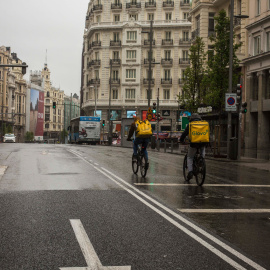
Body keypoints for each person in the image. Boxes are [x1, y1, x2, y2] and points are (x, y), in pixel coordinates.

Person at [180, 113, 206, 180]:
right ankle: (201, 160)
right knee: (202, 150)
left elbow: (185, 133)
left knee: (190, 157)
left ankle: (190, 171)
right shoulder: (204, 124)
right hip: (203, 142)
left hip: (194, 143)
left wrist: (181, 140)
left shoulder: (191, 125)